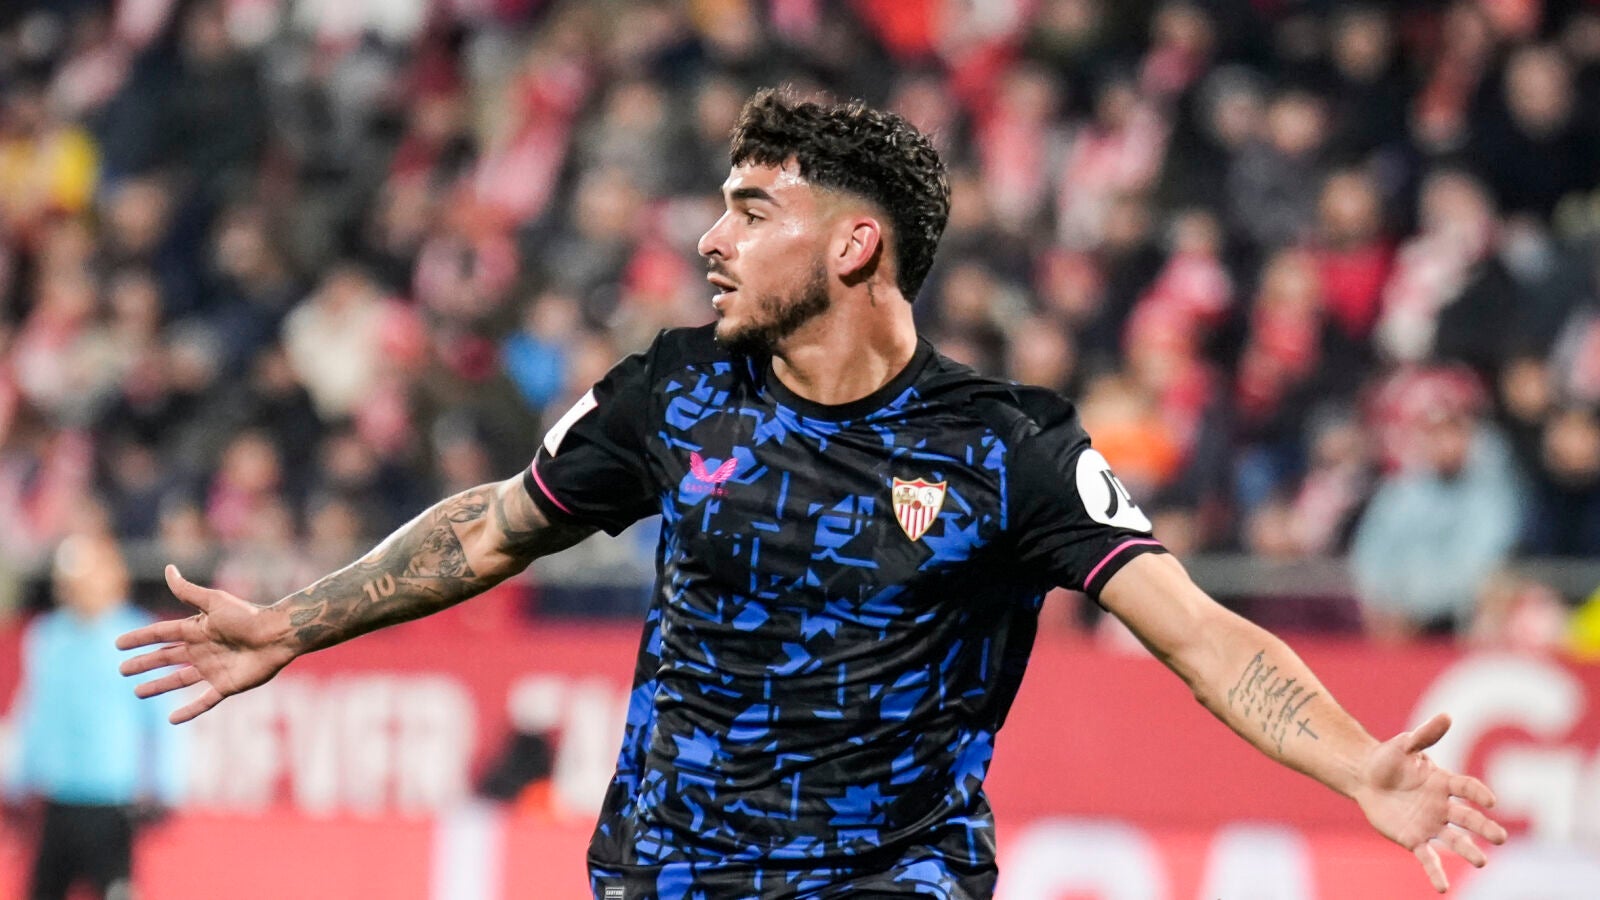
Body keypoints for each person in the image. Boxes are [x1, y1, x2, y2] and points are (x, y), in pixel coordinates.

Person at [118, 89, 1505, 899]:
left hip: (891, 879)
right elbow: (493, 525)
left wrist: (1356, 764)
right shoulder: (671, 392)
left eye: (749, 210)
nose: (709, 241)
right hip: (664, 871)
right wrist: (290, 624)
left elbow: (1197, 632)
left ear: (852, 245)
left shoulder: (1005, 447)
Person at [7, 531, 185, 900]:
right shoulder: (47, 636)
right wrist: (16, 782)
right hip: (55, 798)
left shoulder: (137, 636)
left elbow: (164, 719)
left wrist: (165, 786)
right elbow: (33, 713)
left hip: (111, 801)